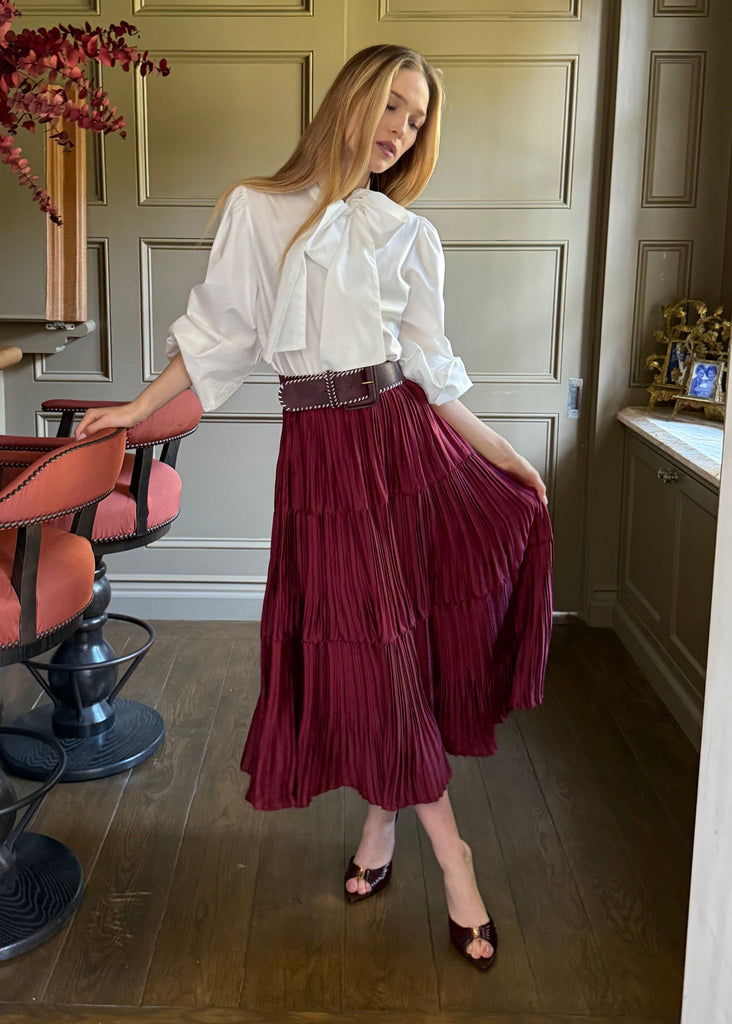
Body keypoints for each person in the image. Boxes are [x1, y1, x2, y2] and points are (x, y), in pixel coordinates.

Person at [76, 44, 553, 972]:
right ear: (353, 99)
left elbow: (431, 368)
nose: (401, 131)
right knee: (375, 644)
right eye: (393, 107)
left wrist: (503, 454)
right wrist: (136, 410)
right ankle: (419, 837)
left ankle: (421, 843)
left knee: (398, 642)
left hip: (404, 442)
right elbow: (218, 338)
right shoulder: (257, 210)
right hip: (323, 464)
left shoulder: (406, 234)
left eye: (417, 121)